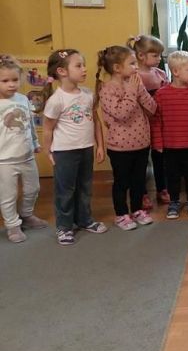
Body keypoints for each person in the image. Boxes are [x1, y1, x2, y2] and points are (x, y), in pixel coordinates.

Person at [41, 49, 107, 246]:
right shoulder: (56, 100)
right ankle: (64, 226)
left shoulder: (88, 94)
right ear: (62, 71)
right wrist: (48, 150)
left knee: (85, 187)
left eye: (84, 64)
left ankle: (84, 220)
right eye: (78, 66)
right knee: (66, 190)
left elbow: (95, 121)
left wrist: (100, 145)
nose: (84, 69)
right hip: (64, 152)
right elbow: (47, 128)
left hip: (85, 149)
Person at [96, 45, 158, 231]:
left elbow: (152, 108)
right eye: (132, 63)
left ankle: (137, 210)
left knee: (139, 181)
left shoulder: (135, 84)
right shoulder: (107, 90)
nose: (136, 67)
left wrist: (140, 90)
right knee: (122, 182)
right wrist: (132, 91)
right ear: (117, 68)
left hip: (141, 144)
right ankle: (121, 214)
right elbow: (121, 113)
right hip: (120, 148)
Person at [152, 51, 188, 219]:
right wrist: (158, 142)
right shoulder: (161, 94)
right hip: (170, 146)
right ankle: (174, 202)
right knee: (172, 176)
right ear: (176, 71)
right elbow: (156, 120)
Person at [0, 55, 47, 243]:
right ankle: (12, 225)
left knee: (33, 188)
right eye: (5, 81)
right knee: (8, 195)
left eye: (15, 80)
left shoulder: (22, 99)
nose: (11, 84)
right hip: (4, 160)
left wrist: (35, 142)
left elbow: (30, 124)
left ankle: (27, 215)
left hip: (27, 155)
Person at [128, 34, 169, 207]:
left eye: (160, 55)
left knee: (160, 156)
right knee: (142, 160)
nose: (159, 58)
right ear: (141, 55)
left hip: (159, 122)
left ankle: (162, 188)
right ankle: (142, 192)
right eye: (155, 55)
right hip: (140, 123)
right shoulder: (134, 75)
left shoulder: (160, 74)